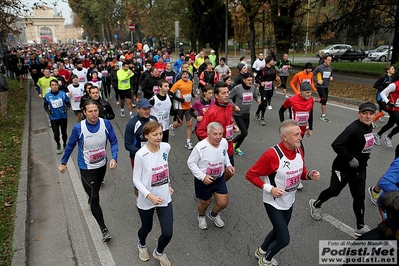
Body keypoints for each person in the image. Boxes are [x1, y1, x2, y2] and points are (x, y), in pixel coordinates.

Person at [246, 119, 320, 266]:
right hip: (273, 202)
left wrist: (309, 175)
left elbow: (300, 172)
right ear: (284, 137)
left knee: (278, 230)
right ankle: (265, 259)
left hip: (289, 200)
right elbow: (250, 175)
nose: (300, 137)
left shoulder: (298, 149)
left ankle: (261, 250)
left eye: (300, 133)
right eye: (296, 134)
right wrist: (270, 189)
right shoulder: (272, 155)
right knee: (284, 239)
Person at [309, 102, 376, 236]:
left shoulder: (369, 127)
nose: (368, 116)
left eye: (371, 113)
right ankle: (316, 204)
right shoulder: (354, 128)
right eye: (364, 113)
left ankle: (360, 225)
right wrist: (350, 158)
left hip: (360, 168)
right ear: (359, 114)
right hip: (343, 167)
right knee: (334, 191)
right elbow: (336, 144)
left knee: (359, 197)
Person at [58, 99, 118, 243]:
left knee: (95, 192)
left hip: (102, 165)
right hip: (87, 168)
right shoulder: (79, 128)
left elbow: (114, 141)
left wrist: (114, 157)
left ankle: (91, 198)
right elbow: (70, 145)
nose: (93, 114)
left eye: (95, 110)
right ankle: (104, 229)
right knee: (95, 198)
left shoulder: (106, 124)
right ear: (84, 113)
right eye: (90, 111)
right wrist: (63, 162)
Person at [133, 121, 173, 266]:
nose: (159, 137)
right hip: (146, 199)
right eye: (154, 134)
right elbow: (136, 179)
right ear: (146, 136)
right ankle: (142, 244)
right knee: (147, 227)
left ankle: (159, 252)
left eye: (161, 134)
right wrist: (149, 196)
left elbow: (164, 167)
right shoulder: (141, 155)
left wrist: (168, 183)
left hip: (164, 196)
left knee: (168, 232)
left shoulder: (166, 147)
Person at [187, 122, 235, 230]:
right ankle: (201, 216)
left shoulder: (223, 142)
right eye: (215, 134)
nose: (218, 137)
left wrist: (229, 165)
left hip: (219, 178)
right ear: (208, 133)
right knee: (205, 202)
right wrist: (202, 176)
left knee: (223, 203)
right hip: (204, 180)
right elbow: (191, 162)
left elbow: (225, 153)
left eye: (220, 134)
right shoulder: (200, 147)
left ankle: (213, 214)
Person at [196, 82, 238, 182]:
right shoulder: (212, 112)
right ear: (216, 95)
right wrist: (213, 143)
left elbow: (228, 121)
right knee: (216, 173)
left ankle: (219, 185)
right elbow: (200, 131)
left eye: (227, 92)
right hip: (217, 149)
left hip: (229, 146)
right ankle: (216, 187)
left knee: (230, 171)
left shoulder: (230, 107)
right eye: (223, 93)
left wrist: (233, 126)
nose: (227, 95)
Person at [124, 98, 158, 196]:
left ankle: (153, 198)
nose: (147, 111)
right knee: (138, 181)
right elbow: (127, 145)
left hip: (154, 155)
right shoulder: (132, 124)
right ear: (138, 109)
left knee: (153, 178)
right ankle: (139, 200)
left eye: (148, 108)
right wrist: (142, 152)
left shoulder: (153, 119)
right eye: (144, 109)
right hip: (137, 157)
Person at [229, 73, 260, 155]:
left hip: (247, 113)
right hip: (238, 114)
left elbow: (255, 96)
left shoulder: (252, 88)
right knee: (244, 132)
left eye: (251, 80)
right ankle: (232, 142)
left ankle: (236, 147)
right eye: (248, 80)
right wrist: (235, 106)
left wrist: (258, 100)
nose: (250, 82)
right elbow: (229, 98)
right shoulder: (237, 88)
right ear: (244, 80)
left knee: (245, 133)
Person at [169, 70, 196, 150]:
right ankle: (172, 126)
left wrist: (194, 95)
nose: (185, 75)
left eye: (186, 74)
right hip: (179, 107)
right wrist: (179, 100)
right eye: (183, 74)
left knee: (189, 123)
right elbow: (170, 94)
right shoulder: (178, 83)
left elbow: (190, 91)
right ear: (181, 76)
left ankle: (188, 142)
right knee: (179, 124)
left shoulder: (190, 82)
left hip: (188, 107)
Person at [44, 79, 71, 154]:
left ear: (58, 85)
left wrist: (66, 109)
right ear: (50, 86)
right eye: (52, 85)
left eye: (55, 85)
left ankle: (65, 144)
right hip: (54, 118)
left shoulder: (63, 94)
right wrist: (48, 111)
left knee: (64, 133)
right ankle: (58, 144)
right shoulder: (47, 96)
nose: (54, 86)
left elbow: (68, 104)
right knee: (56, 134)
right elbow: (45, 105)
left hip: (63, 117)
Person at [374, 75, 399, 148]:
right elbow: (383, 93)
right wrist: (388, 102)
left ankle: (378, 135)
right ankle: (389, 136)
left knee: (390, 124)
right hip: (393, 108)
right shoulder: (394, 85)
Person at [313, 55, 333, 122]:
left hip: (326, 86)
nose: (329, 62)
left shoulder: (330, 68)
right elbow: (311, 75)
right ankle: (323, 115)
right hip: (320, 86)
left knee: (324, 100)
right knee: (324, 101)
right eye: (328, 60)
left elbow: (331, 75)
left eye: (330, 60)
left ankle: (312, 99)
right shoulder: (319, 68)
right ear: (325, 60)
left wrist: (331, 78)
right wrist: (317, 81)